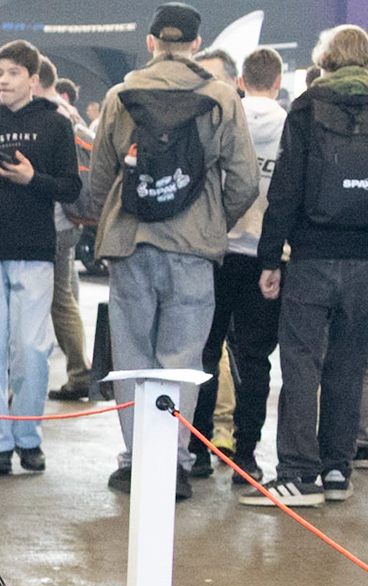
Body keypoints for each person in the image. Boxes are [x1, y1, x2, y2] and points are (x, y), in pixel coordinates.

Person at [80, 2, 257, 500]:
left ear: (151, 42)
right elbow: (244, 181)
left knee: (133, 359)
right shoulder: (221, 98)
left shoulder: (120, 95)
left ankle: (137, 462)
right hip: (193, 248)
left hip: (131, 242)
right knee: (181, 361)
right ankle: (173, 465)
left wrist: (112, 221)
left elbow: (100, 178)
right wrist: (212, 223)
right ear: (197, 44)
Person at [242, 26, 368, 507]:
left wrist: (270, 257)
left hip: (312, 257)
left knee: (300, 363)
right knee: (349, 365)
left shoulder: (307, 106)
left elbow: (286, 189)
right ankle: (337, 469)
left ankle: (298, 473)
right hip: (364, 262)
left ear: (325, 60)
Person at [0, 39, 82, 476]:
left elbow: (71, 187)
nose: (4, 81)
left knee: (31, 349)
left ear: (32, 78)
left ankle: (29, 437)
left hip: (36, 250)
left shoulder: (56, 125)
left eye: (13, 73)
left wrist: (33, 178)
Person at [191, 47, 285, 484]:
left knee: (205, 353)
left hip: (216, 250)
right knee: (255, 359)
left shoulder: (224, 117)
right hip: (265, 257)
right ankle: (246, 455)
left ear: (241, 81)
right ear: (278, 82)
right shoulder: (289, 125)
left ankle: (199, 449)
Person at [36, 55, 93, 403]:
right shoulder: (70, 112)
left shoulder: (49, 114)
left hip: (54, 219)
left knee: (59, 300)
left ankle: (79, 373)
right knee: (65, 296)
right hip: (71, 218)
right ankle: (79, 371)